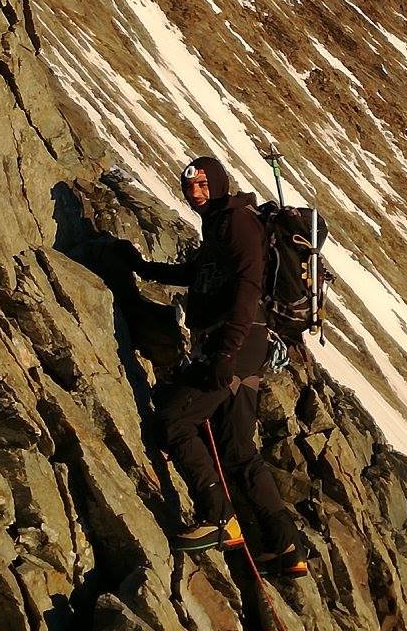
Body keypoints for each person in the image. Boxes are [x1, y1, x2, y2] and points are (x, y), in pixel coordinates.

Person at [119, 155, 306, 577]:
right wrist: (145, 269)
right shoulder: (222, 222)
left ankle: (218, 518)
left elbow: (248, 285)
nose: (196, 193)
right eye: (190, 188)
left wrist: (225, 352)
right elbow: (200, 273)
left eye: (203, 185)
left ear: (219, 183)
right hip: (248, 344)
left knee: (173, 421)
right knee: (238, 450)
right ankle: (286, 545)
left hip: (234, 343)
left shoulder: (236, 222)